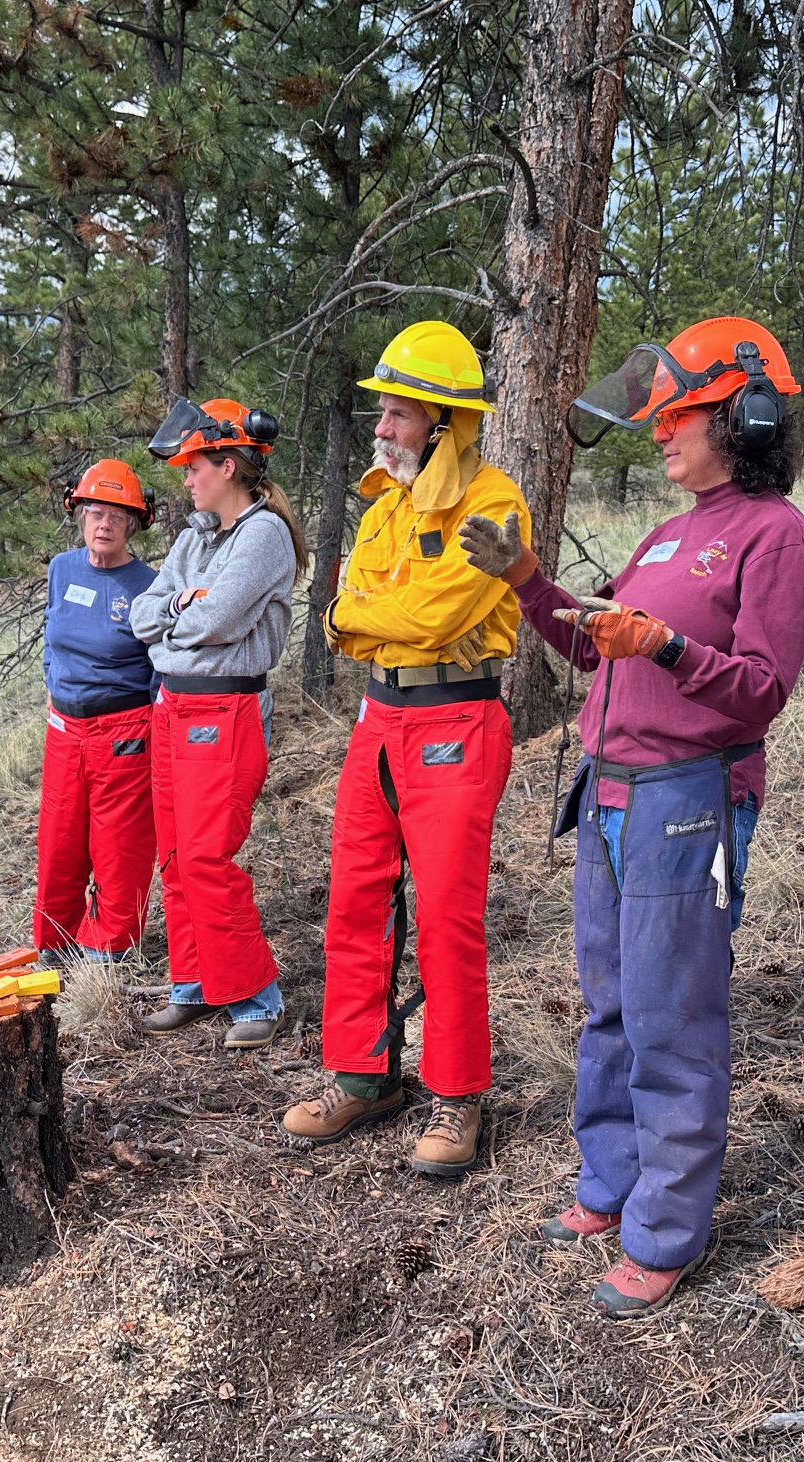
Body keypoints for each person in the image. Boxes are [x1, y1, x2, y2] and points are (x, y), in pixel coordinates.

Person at [463, 317, 804, 1317]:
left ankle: (667, 1228)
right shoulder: (670, 531)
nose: (659, 434)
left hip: (686, 798)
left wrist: (664, 649)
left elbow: (758, 692)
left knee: (674, 1017)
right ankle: (610, 1183)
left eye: (676, 418)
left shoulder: (772, 534)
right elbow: (593, 648)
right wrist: (530, 585)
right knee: (611, 1004)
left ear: (740, 418)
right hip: (608, 787)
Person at [280, 321, 528, 1177]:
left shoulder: (492, 504)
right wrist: (364, 616)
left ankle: (456, 1096)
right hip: (377, 722)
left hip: (457, 721)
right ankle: (363, 1074)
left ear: (444, 421)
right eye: (382, 411)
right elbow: (338, 612)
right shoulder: (385, 506)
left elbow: (425, 618)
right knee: (354, 899)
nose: (381, 427)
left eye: (397, 413)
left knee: (447, 915)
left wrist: (365, 616)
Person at [130, 399, 305, 1050]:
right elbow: (146, 618)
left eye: (194, 466)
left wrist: (183, 616)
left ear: (227, 465)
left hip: (225, 709)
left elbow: (218, 622)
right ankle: (195, 985)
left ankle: (256, 996)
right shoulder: (194, 537)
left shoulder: (263, 535)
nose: (186, 478)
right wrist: (182, 602)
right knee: (175, 856)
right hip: (173, 704)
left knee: (206, 856)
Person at [34, 460, 160, 967]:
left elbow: (160, 662)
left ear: (132, 524)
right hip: (65, 725)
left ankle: (107, 948)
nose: (103, 525)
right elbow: (51, 632)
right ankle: (55, 940)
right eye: (94, 513)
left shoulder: (149, 583)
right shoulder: (62, 568)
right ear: (79, 515)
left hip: (124, 727)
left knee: (119, 843)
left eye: (115, 516)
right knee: (60, 837)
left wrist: (146, 722)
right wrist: (52, 684)